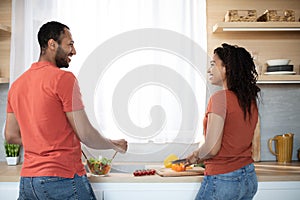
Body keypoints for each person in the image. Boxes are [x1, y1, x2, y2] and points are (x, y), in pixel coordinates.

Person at [5, 21, 128, 200]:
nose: (74, 51)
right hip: (62, 180)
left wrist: (42, 141)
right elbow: (85, 134)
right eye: (69, 44)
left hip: (28, 182)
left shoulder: (17, 85)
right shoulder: (63, 79)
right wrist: (113, 144)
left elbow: (10, 135)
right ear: (52, 44)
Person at [185, 43, 260, 200]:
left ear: (226, 68)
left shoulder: (220, 99)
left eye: (213, 64)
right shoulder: (249, 100)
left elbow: (212, 148)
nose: (208, 70)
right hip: (248, 177)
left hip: (223, 179)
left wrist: (195, 156)